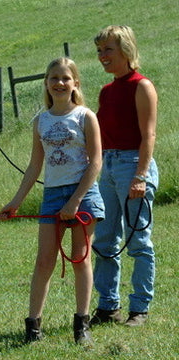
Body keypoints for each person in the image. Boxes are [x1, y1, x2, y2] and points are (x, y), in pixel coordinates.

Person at [0, 57, 104, 345]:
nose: (59, 83)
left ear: (75, 83)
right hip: (52, 195)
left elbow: (96, 162)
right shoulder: (40, 121)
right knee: (44, 261)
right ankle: (33, 327)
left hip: (83, 193)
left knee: (81, 259)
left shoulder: (85, 116)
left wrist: (75, 201)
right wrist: (16, 201)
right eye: (53, 78)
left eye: (65, 78)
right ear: (46, 84)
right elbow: (34, 166)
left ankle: (82, 325)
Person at [90, 25, 159, 327]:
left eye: (108, 50)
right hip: (108, 166)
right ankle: (107, 307)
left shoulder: (141, 86)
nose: (102, 56)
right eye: (99, 51)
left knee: (138, 241)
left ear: (126, 50)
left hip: (134, 165)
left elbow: (149, 134)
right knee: (104, 240)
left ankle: (139, 309)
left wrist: (141, 175)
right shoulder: (106, 91)